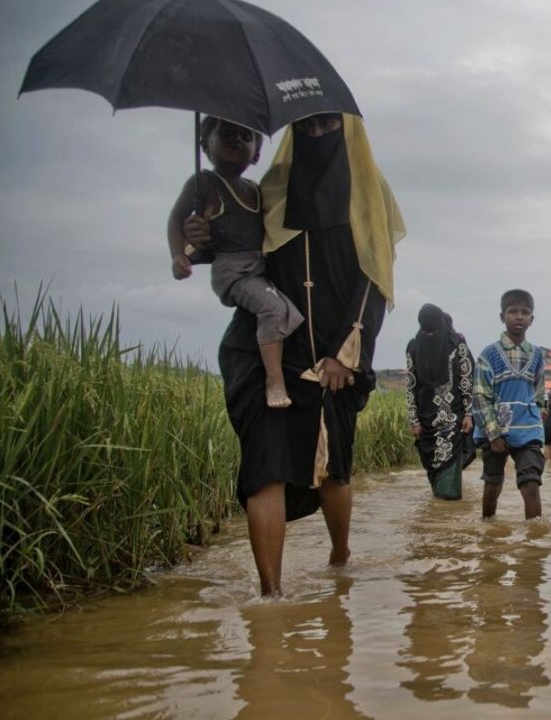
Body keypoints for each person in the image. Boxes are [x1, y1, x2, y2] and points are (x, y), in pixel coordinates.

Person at [186, 112, 405, 595]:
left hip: (333, 354)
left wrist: (347, 353)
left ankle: (340, 559)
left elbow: (375, 279)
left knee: (333, 470)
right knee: (263, 470)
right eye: (306, 127)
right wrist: (198, 237)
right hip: (264, 351)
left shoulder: (369, 193)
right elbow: (235, 251)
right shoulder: (270, 190)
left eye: (327, 126)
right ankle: (271, 596)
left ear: (348, 131)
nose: (316, 135)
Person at [167, 116, 302, 409]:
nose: (236, 140)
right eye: (226, 133)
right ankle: (274, 380)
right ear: (205, 144)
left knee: (289, 311)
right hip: (234, 271)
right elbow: (176, 218)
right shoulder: (205, 183)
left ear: (256, 155)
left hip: (258, 268)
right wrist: (179, 254)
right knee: (274, 309)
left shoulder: (255, 190)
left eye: (245, 136)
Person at [472, 289, 546, 519]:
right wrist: (493, 435)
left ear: (532, 319)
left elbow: (539, 393)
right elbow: (480, 397)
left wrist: (538, 418)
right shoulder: (490, 354)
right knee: (493, 483)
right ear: (502, 316)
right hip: (496, 432)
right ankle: (488, 528)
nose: (519, 317)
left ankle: (534, 538)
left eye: (525, 312)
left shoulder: (537, 355)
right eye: (513, 311)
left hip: (528, 431)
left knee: (531, 484)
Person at [406, 304, 475, 499]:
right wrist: (414, 420)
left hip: (454, 419)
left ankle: (448, 512)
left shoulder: (457, 345)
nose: (430, 336)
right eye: (426, 332)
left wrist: (468, 413)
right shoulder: (414, 347)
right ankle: (439, 507)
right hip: (426, 421)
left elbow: (467, 380)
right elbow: (411, 385)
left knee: (449, 486)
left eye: (434, 332)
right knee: (434, 472)